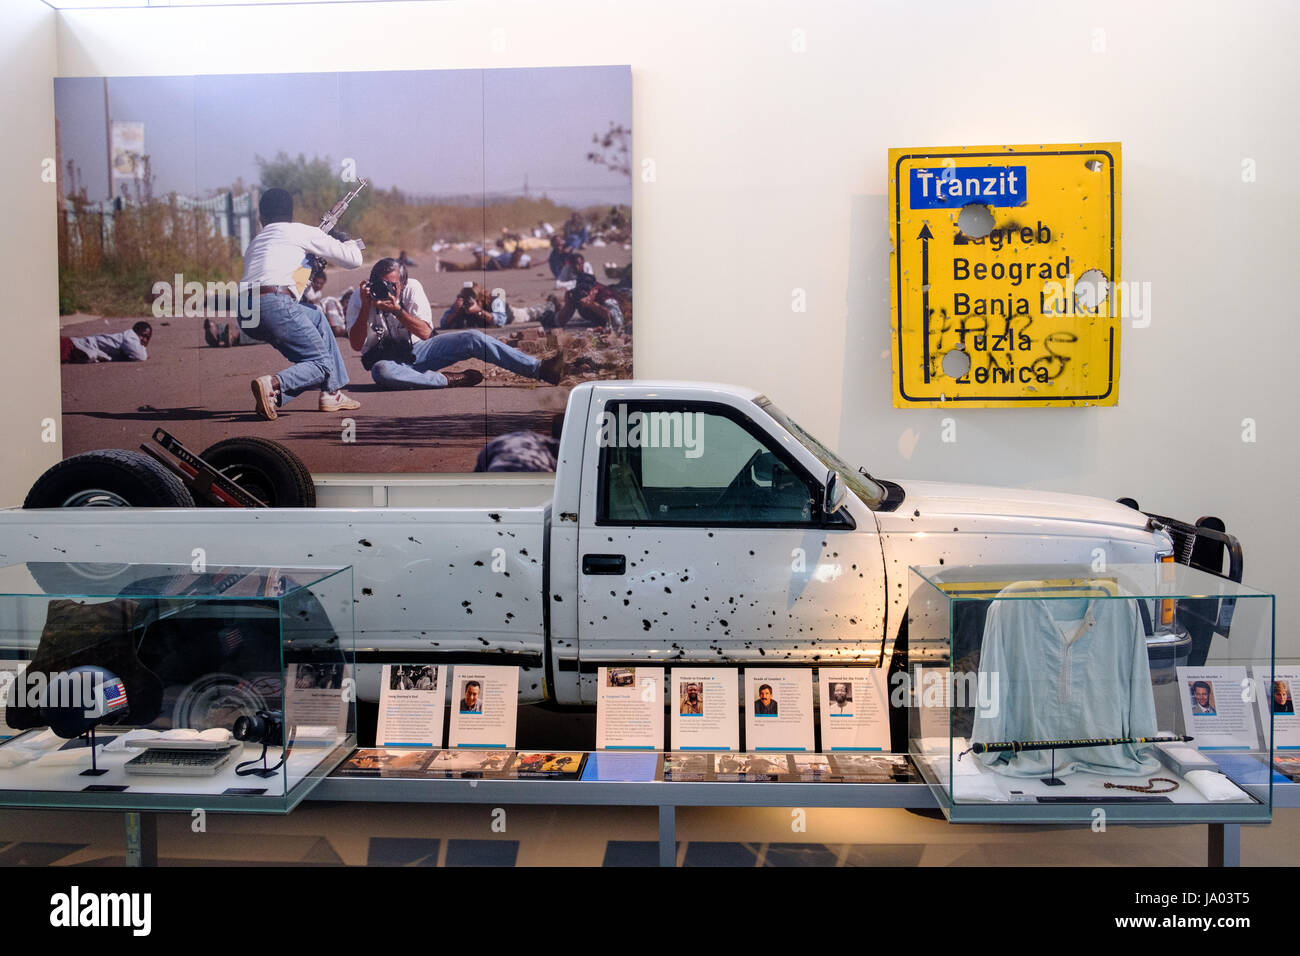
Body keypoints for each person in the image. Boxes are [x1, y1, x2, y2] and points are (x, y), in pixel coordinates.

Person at [346, 258, 565, 390]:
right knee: (381, 372)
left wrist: (398, 311)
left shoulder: (412, 288)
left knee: (473, 337)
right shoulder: (360, 297)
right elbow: (356, 345)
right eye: (380, 284)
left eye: (392, 285)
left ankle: (540, 369)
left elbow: (425, 333)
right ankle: (447, 380)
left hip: (417, 350)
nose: (385, 289)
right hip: (388, 361)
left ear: (403, 284)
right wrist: (367, 307)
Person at [240, 187, 364, 420]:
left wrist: (309, 265)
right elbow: (354, 260)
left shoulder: (256, 243)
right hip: (275, 304)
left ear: (261, 217)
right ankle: (274, 384)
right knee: (321, 364)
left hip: (246, 310)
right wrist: (343, 239)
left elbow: (283, 278)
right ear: (291, 213)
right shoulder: (301, 232)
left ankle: (332, 393)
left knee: (316, 316)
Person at [61, 321, 152, 363]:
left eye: (147, 338)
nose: (144, 339)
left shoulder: (132, 341)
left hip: (77, 350)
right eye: (143, 335)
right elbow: (140, 356)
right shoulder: (130, 336)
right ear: (136, 331)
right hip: (72, 345)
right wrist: (144, 348)